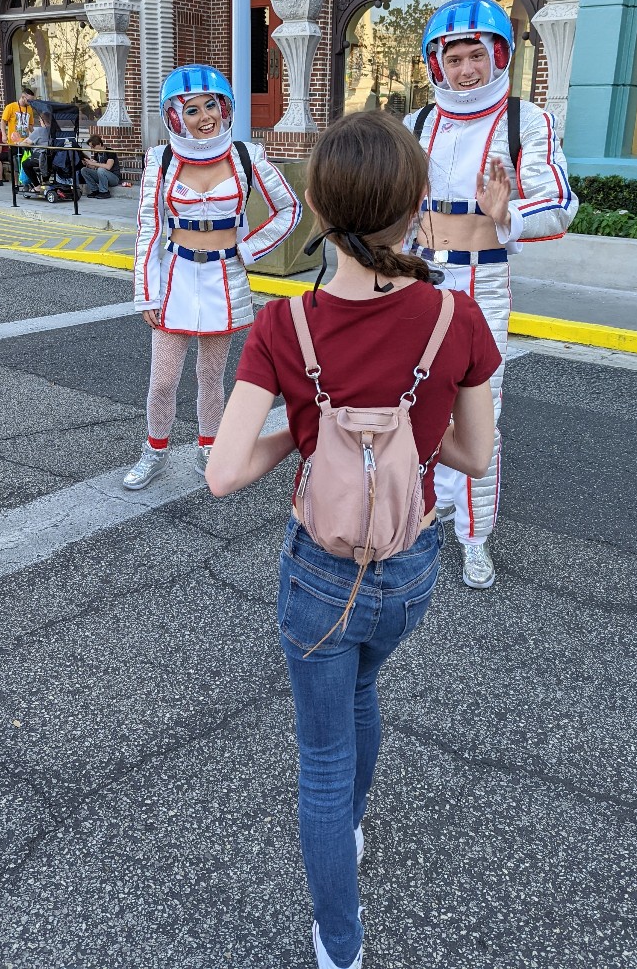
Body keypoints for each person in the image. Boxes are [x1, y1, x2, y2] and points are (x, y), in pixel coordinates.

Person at [205, 111, 500, 969]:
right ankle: (357, 826)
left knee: (321, 763)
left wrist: (312, 430)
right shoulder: (458, 318)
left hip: (319, 575)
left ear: (315, 208)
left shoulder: (282, 327)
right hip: (409, 569)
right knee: (367, 687)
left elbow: (223, 473)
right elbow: (474, 454)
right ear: (414, 207)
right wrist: (405, 424)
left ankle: (341, 944)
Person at [404, 0, 578, 589]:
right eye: (454, 58)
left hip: (485, 283)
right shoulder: (418, 124)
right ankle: (430, 505)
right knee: (417, 400)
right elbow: (399, 207)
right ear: (436, 64)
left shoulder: (525, 122)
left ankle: (475, 536)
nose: (466, 69)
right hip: (422, 281)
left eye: (477, 54)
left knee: (481, 412)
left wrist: (510, 213)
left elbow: (560, 207)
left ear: (499, 54)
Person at [124, 64, 302, 490]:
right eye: (191, 110)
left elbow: (290, 209)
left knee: (212, 375)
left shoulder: (247, 155)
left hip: (225, 276)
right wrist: (146, 293)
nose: (205, 117)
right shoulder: (160, 159)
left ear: (226, 108)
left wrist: (248, 248)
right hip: (175, 275)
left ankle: (211, 446)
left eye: (212, 106)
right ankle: (155, 449)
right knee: (163, 376)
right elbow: (149, 227)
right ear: (174, 116)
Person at [1, 87, 36, 182]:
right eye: (29, 100)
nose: (30, 102)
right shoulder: (11, 107)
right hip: (14, 141)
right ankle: (16, 184)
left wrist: (34, 136)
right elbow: (3, 122)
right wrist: (4, 134)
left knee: (25, 162)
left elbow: (31, 125)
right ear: (23, 97)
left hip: (25, 141)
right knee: (15, 164)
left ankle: (25, 182)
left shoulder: (29, 109)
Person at [17, 112, 52, 193]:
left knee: (25, 164)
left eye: (40, 120)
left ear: (42, 120)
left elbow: (27, 142)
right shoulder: (55, 130)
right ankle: (45, 181)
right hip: (54, 158)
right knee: (47, 162)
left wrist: (19, 143)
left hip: (41, 157)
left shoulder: (40, 130)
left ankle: (37, 186)